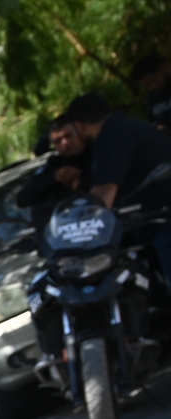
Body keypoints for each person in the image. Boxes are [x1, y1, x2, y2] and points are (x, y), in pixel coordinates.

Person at [63, 92, 171, 285]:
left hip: (163, 223)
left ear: (79, 125)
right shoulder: (128, 126)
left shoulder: (111, 136)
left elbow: (104, 191)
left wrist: (83, 232)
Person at [134, 54, 171, 133]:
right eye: (148, 86)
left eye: (154, 81)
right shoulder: (153, 98)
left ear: (164, 68)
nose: (153, 87)